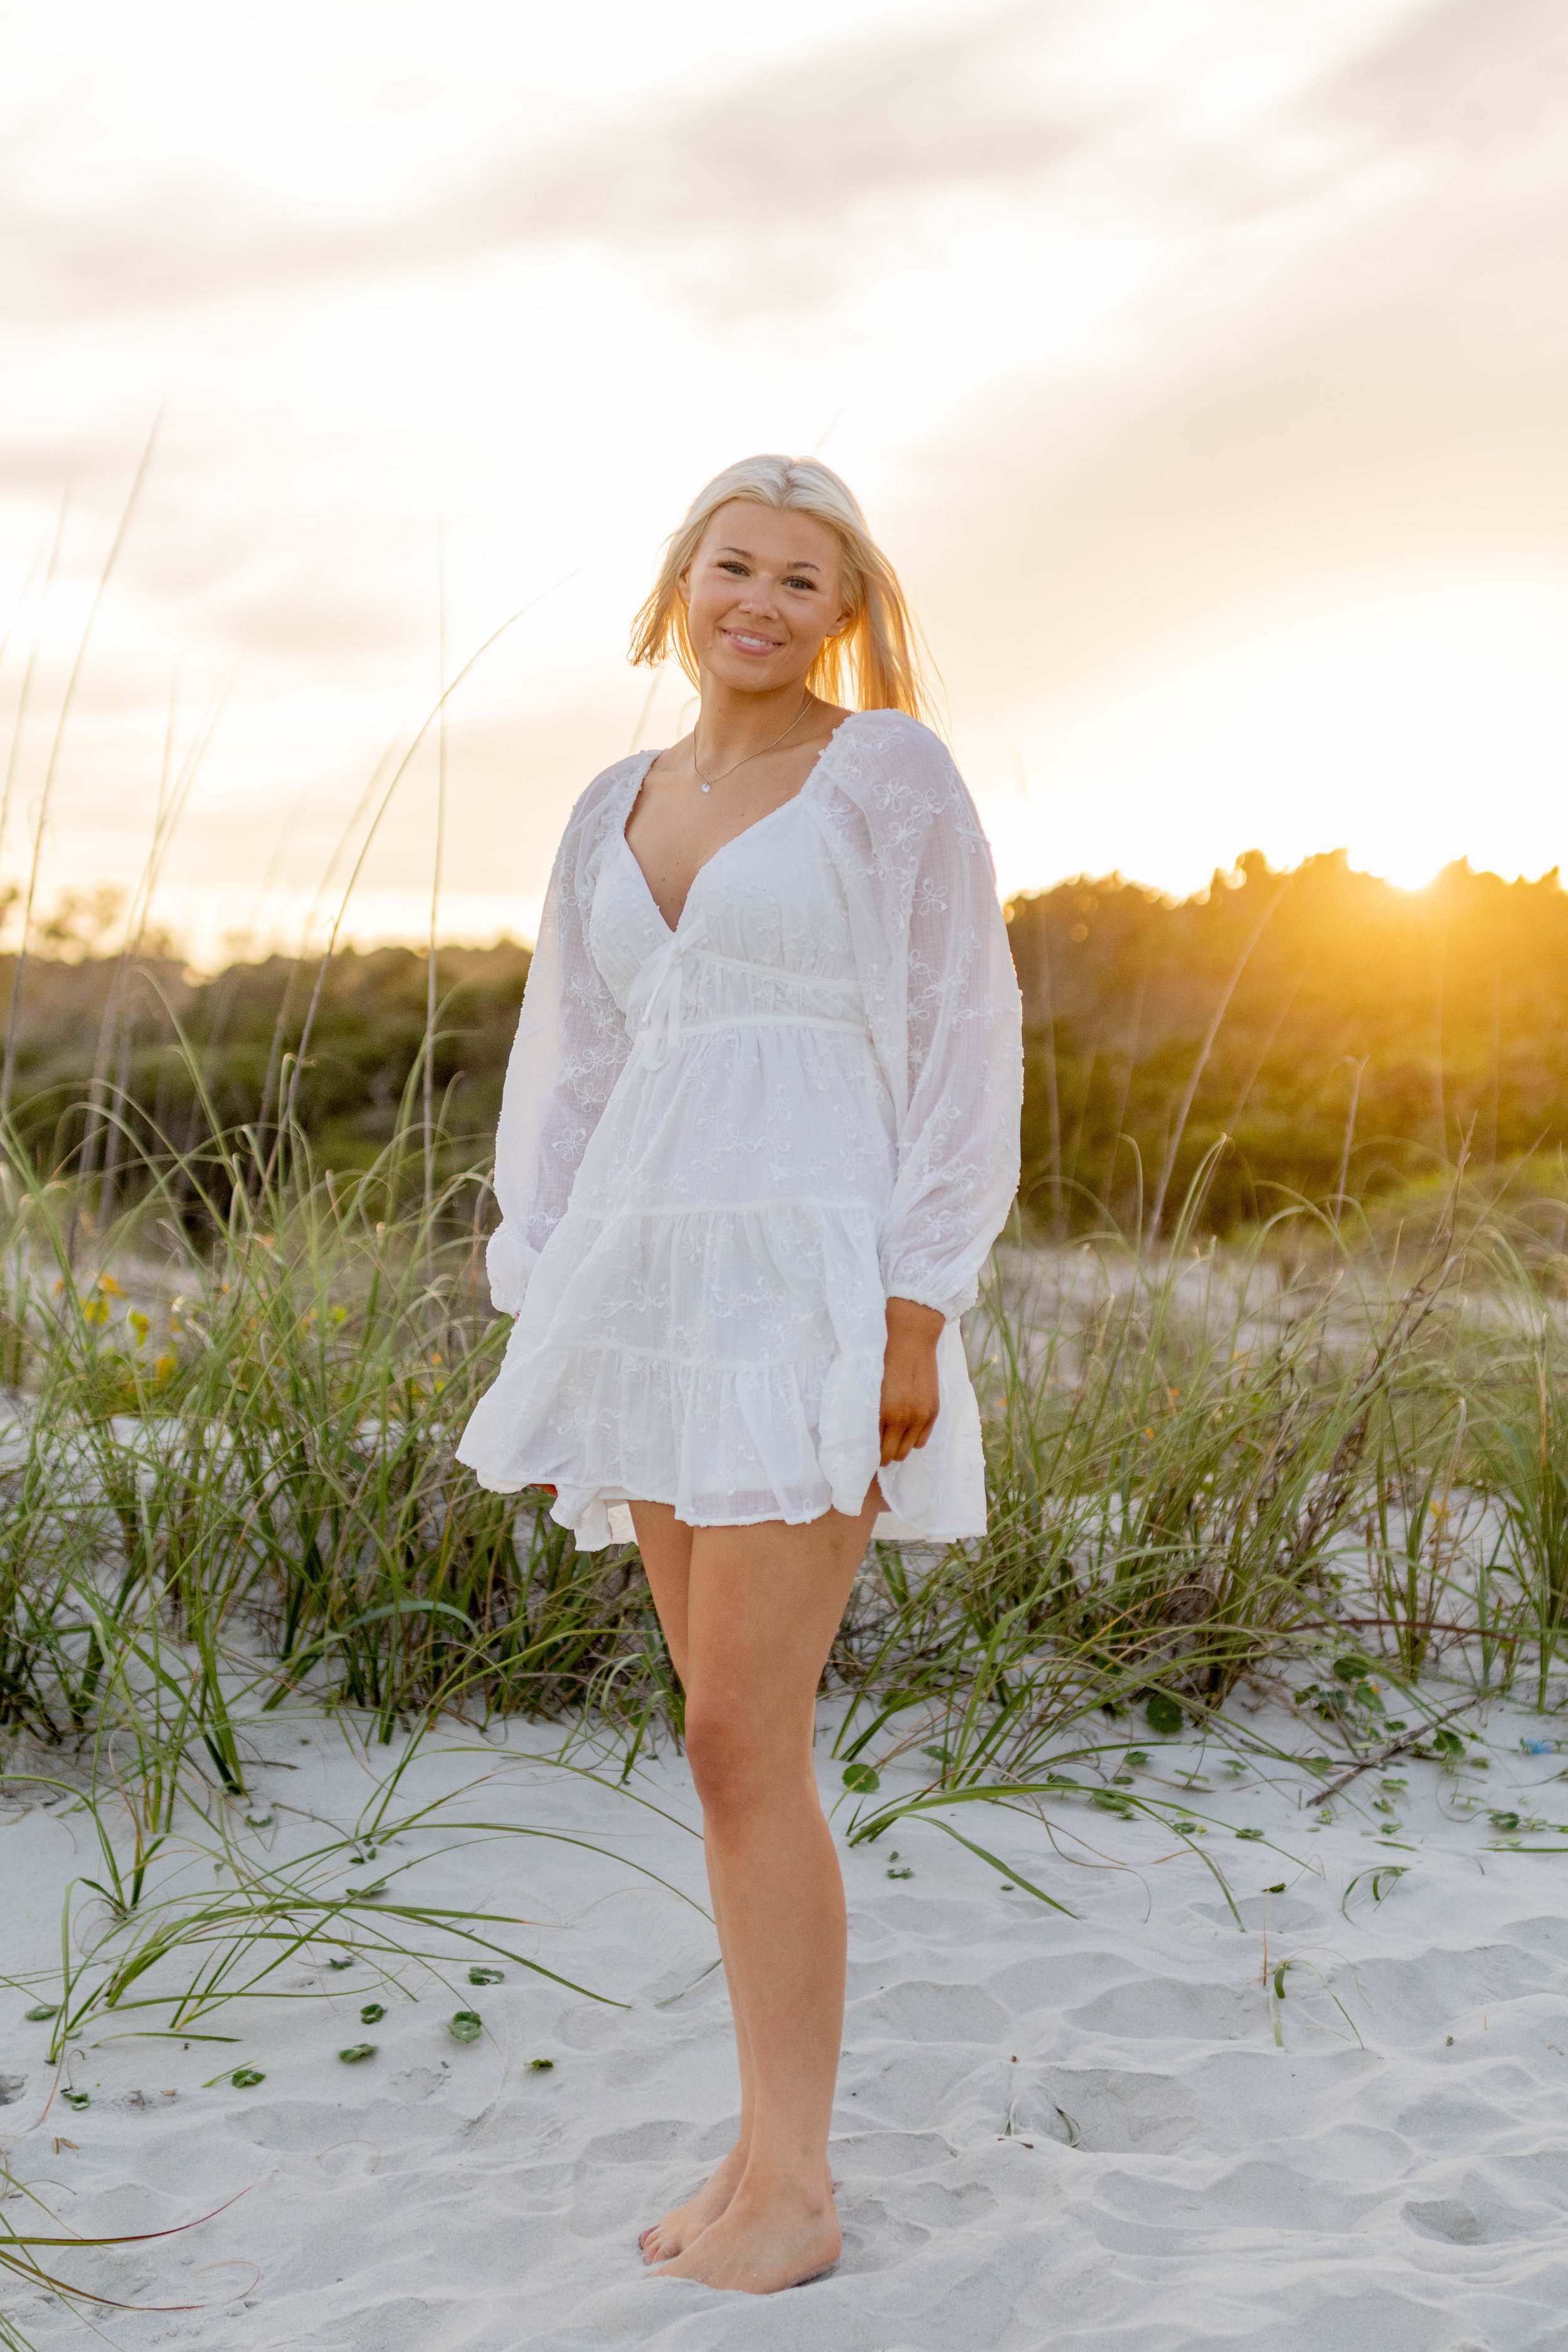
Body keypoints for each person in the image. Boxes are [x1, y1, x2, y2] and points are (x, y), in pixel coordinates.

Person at [458, 454, 1022, 2293]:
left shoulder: (885, 775)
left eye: (801, 580)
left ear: (842, 614)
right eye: (731, 567)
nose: (759, 604)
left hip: (810, 1281)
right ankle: (761, 2151)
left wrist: (915, 1307)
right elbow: (575, 1067)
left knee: (734, 1734)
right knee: (721, 1757)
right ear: (676, 587)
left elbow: (960, 1039)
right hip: (654, 1291)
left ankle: (793, 2187)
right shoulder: (611, 802)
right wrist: (556, 1312)